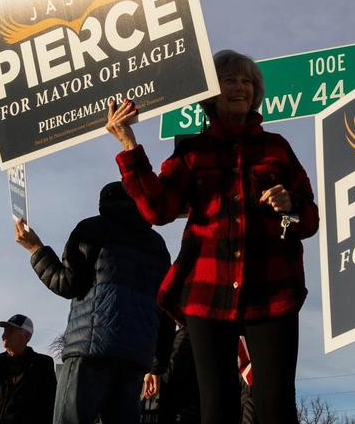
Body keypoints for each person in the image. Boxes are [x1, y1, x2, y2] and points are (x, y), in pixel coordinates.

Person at [106, 49, 319, 424]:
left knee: (277, 406)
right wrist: (128, 143)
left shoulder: (277, 147)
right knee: (216, 406)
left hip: (271, 292)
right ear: (210, 91)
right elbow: (158, 209)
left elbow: (310, 219)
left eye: (247, 81)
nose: (240, 87)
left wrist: (290, 204)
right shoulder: (192, 151)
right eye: (230, 80)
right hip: (206, 292)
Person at [14, 183, 173, 424]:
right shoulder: (158, 246)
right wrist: (157, 366)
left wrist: (36, 249)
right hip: (134, 357)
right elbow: (165, 308)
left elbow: (67, 284)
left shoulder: (93, 228)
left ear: (104, 204)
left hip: (90, 348)